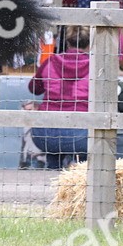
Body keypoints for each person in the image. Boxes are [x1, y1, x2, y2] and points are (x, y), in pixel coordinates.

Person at [29, 25, 91, 169]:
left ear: (66, 42)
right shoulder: (95, 66)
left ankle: (53, 174)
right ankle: (82, 174)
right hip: (81, 134)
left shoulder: (50, 62)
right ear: (89, 44)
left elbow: (33, 88)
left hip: (46, 133)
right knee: (89, 146)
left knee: (54, 149)